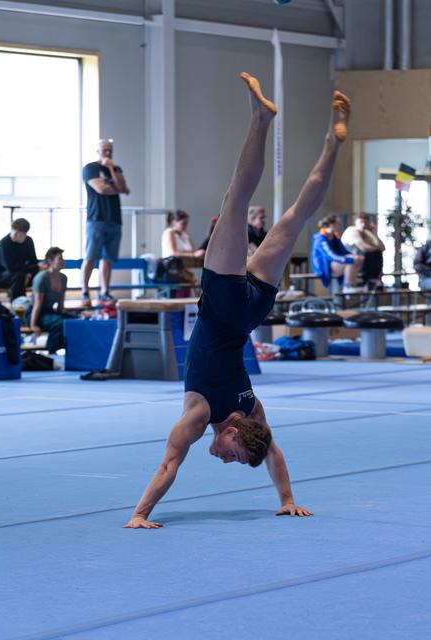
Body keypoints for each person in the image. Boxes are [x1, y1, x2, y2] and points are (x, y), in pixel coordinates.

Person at [123, 72, 351, 530]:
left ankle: (334, 142)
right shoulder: (201, 413)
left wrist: (288, 499)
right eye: (233, 453)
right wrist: (140, 513)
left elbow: (272, 451)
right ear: (230, 432)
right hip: (227, 305)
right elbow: (170, 463)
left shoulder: (252, 411)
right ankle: (260, 119)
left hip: (252, 310)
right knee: (235, 201)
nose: (227, 460)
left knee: (297, 216)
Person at [81, 138, 130, 307]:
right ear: (98, 151)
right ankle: (85, 291)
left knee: (107, 258)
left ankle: (104, 291)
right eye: (104, 150)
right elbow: (101, 189)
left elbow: (123, 189)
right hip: (96, 219)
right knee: (90, 256)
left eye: (110, 150)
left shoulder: (115, 169)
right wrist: (116, 188)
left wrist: (111, 168)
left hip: (114, 220)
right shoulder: (90, 168)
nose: (108, 153)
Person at [26, 247, 74, 354]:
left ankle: (72, 351)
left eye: (63, 258)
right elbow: (37, 305)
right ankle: (51, 352)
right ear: (50, 261)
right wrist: (33, 325)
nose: (63, 261)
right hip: (35, 314)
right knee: (60, 323)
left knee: (75, 320)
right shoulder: (41, 277)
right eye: (60, 258)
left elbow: (61, 305)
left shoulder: (63, 278)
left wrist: (69, 315)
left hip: (49, 312)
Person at [0, 218, 44, 301]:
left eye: (18, 234)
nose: (14, 236)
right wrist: (28, 271)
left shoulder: (28, 241)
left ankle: (38, 302)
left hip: (20, 271)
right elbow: (11, 267)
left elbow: (33, 261)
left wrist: (38, 268)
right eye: (13, 232)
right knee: (18, 275)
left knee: (44, 274)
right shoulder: (4, 244)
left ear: (25, 234)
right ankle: (18, 302)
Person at [312, 215, 364, 293]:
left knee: (358, 258)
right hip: (324, 267)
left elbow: (343, 251)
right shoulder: (320, 238)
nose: (339, 226)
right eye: (337, 224)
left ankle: (352, 283)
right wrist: (349, 259)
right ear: (330, 224)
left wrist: (354, 256)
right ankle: (347, 287)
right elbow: (330, 256)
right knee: (351, 261)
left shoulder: (334, 237)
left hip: (335, 263)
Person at [341, 213, 385, 289]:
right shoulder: (351, 231)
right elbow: (364, 248)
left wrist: (374, 233)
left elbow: (382, 248)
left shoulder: (367, 233)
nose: (363, 224)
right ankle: (368, 280)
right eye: (361, 222)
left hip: (363, 262)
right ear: (356, 223)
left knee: (377, 252)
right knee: (370, 252)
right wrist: (376, 248)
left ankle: (373, 279)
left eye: (365, 222)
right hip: (350, 261)